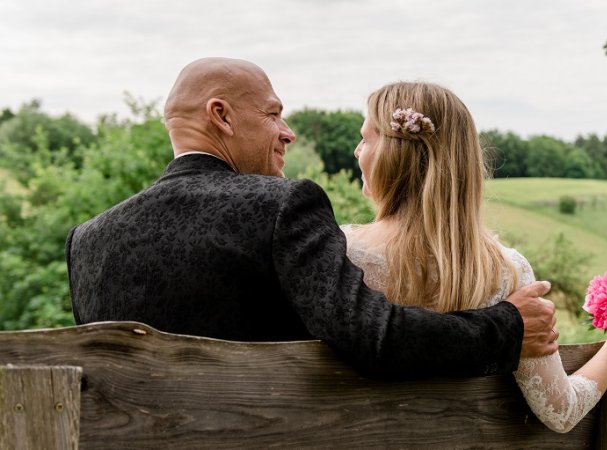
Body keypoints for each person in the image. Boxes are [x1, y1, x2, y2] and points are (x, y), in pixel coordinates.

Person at [66, 57, 559, 380]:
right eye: (273, 114)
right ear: (221, 115)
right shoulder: (280, 205)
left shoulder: (87, 241)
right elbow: (376, 336)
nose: (288, 133)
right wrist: (508, 325)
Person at [342, 81, 607, 432]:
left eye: (366, 139)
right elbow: (561, 411)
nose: (357, 151)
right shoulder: (505, 272)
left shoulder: (338, 253)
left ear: (392, 154)